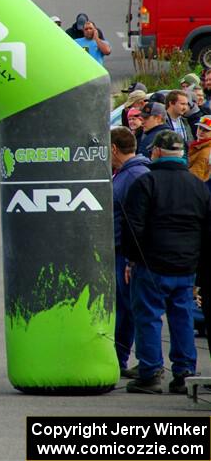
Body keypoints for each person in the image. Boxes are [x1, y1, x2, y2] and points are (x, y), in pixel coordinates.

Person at [121, 131, 211, 394]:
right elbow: (207, 229)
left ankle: (150, 372)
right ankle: (184, 372)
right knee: (181, 317)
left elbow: (132, 228)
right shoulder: (197, 186)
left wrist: (132, 260)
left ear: (158, 151)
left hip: (152, 265)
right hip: (185, 266)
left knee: (148, 318)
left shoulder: (147, 183)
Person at [110, 127, 150, 378]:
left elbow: (137, 220)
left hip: (127, 253)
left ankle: (122, 358)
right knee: (124, 306)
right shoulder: (124, 174)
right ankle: (120, 357)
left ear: (114, 148)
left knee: (128, 307)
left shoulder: (135, 175)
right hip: (121, 250)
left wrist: (131, 258)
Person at [188, 115, 211, 186]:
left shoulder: (205, 152)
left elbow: (195, 178)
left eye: (206, 130)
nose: (201, 131)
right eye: (200, 128)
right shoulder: (198, 145)